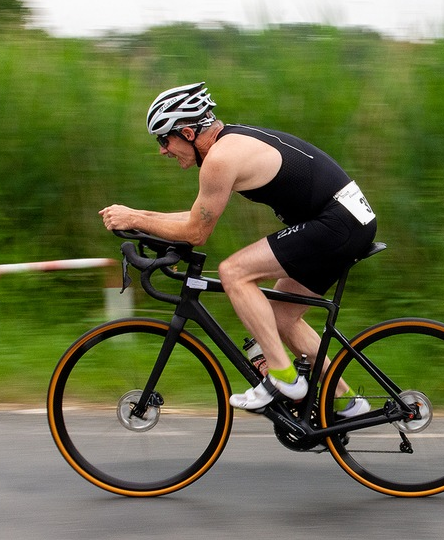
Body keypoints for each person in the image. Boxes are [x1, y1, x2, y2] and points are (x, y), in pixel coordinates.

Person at [100, 82, 376, 416]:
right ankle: (346, 403)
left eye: (164, 140)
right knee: (282, 317)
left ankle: (283, 379)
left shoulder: (220, 158)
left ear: (187, 133)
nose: (163, 151)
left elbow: (196, 232)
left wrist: (136, 219)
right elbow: (197, 217)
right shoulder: (229, 144)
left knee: (233, 272)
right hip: (347, 221)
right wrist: (138, 218)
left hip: (338, 224)